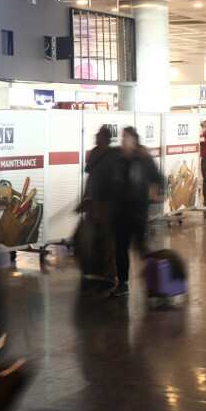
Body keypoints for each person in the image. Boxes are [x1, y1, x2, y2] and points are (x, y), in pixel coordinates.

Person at [106, 127, 165, 297]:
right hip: (120, 212)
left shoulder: (143, 159)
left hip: (137, 210)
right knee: (121, 248)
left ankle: (154, 280)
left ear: (134, 140)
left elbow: (158, 178)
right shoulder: (117, 159)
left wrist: (155, 192)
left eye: (126, 138)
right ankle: (123, 283)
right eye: (122, 138)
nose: (123, 141)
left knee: (141, 247)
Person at [80, 125, 119, 292]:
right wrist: (86, 199)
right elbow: (90, 178)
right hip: (93, 204)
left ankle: (108, 275)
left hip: (105, 206)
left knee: (107, 241)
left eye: (99, 135)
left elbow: (113, 182)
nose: (96, 137)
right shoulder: (95, 153)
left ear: (105, 138)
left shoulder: (112, 156)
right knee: (91, 239)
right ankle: (93, 273)